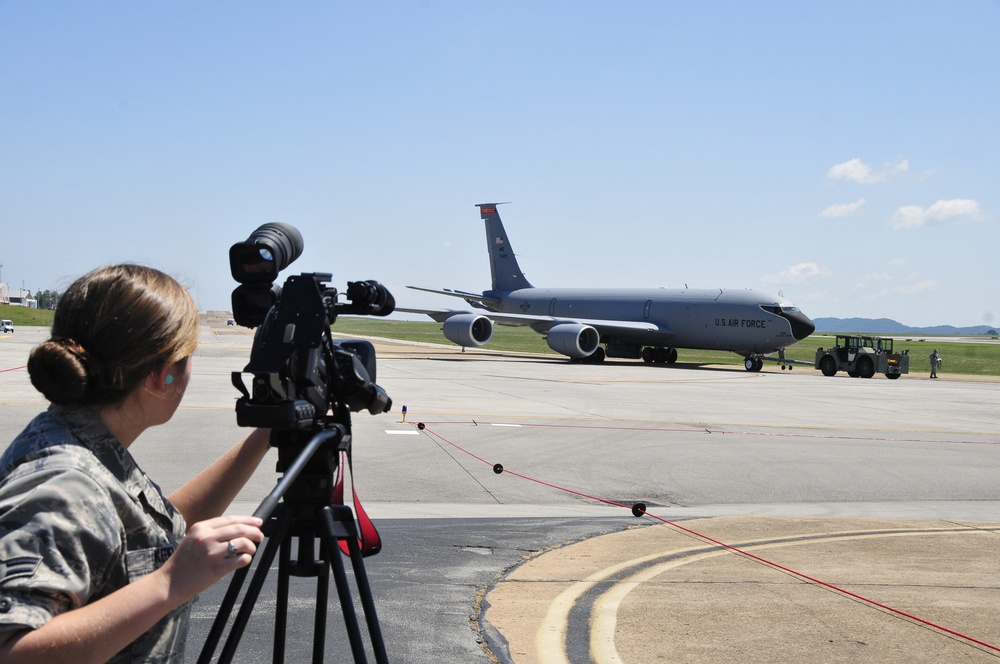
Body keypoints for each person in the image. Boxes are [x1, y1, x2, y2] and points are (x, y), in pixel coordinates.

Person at [0, 264, 272, 663]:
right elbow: (12, 650)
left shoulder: (83, 442)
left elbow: (145, 537)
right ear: (162, 377)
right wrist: (171, 583)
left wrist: (263, 439)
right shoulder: (63, 483)